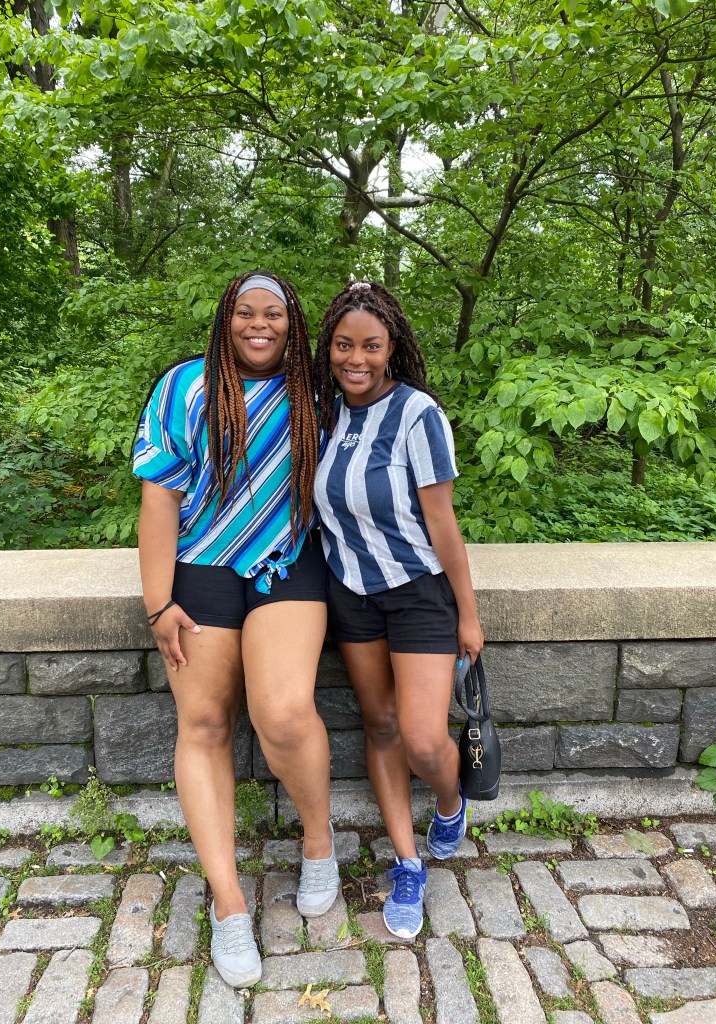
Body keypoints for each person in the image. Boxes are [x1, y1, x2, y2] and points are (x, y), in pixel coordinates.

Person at [134, 271, 339, 988]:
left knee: (282, 714)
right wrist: (159, 603)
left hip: (288, 561)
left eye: (273, 313)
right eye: (245, 312)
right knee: (203, 725)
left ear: (293, 322)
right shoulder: (184, 388)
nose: (259, 324)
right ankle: (228, 906)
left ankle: (319, 842)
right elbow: (159, 501)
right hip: (202, 569)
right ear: (227, 319)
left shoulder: (316, 391)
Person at [313, 280, 484, 939]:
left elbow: (442, 523)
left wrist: (467, 614)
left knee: (422, 736)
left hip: (417, 592)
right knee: (380, 724)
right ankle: (407, 864)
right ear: (329, 348)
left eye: (371, 346)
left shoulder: (417, 414)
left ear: (391, 349)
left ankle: (449, 802)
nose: (356, 358)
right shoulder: (324, 415)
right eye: (344, 345)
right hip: (350, 594)